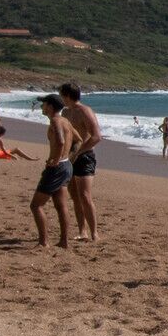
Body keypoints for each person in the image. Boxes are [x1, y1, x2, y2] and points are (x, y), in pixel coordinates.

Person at [30, 94, 81, 248]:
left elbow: (60, 140)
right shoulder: (66, 121)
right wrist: (69, 157)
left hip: (57, 167)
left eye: (43, 104)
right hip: (66, 166)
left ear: (50, 107)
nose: (41, 107)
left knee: (36, 205)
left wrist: (57, 159)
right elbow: (78, 140)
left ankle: (43, 242)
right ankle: (64, 241)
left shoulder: (55, 121)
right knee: (61, 205)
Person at [56, 81, 102, 243]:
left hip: (85, 156)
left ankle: (94, 233)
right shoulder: (65, 112)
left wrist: (79, 152)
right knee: (74, 196)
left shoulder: (85, 111)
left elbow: (96, 136)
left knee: (85, 195)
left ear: (68, 95)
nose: (61, 98)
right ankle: (82, 231)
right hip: (69, 156)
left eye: (62, 95)